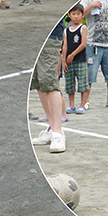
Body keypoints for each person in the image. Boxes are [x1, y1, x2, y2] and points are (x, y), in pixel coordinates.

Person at [30, 20, 66, 153]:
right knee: (39, 82)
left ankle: (58, 133)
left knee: (50, 82)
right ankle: (52, 128)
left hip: (50, 36)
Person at [62, 4, 90, 114]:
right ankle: (71, 105)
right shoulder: (66, 30)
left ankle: (82, 105)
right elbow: (65, 45)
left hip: (80, 60)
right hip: (69, 61)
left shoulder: (83, 28)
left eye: (78, 14)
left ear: (82, 15)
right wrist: (64, 60)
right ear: (69, 15)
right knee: (69, 83)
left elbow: (83, 44)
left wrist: (72, 55)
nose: (76, 17)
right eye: (73, 14)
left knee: (82, 82)